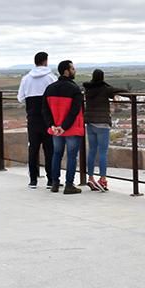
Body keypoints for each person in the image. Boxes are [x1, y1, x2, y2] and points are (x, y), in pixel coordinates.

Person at [16, 51, 57, 189]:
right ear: (45, 61)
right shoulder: (51, 78)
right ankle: (51, 180)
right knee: (49, 149)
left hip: (32, 118)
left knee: (33, 149)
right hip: (48, 118)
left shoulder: (26, 78)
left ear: (35, 62)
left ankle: (33, 180)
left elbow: (20, 98)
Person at [42, 60, 84, 195]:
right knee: (72, 157)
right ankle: (69, 185)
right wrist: (64, 127)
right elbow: (75, 111)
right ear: (66, 71)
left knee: (56, 155)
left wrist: (52, 125)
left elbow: (45, 110)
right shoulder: (75, 89)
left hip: (56, 130)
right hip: (70, 128)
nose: (74, 71)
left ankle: (55, 183)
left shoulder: (50, 88)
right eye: (72, 68)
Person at [83, 69, 127, 192]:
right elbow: (123, 90)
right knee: (102, 153)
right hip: (102, 123)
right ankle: (102, 180)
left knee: (92, 151)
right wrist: (114, 93)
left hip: (90, 123)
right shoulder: (105, 89)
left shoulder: (88, 89)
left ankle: (90, 178)